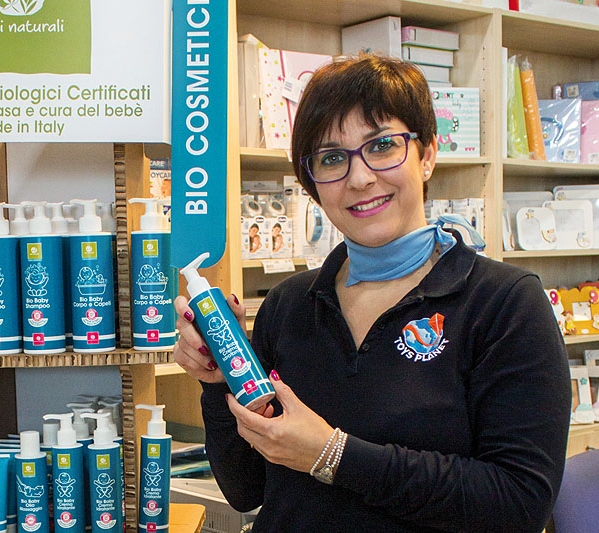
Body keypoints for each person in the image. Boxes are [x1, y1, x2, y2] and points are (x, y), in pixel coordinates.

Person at [173, 53, 572, 532]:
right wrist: (219, 382)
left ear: (427, 155)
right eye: (332, 158)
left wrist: (332, 454)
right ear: (313, 183)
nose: (360, 178)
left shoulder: (505, 303)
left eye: (382, 146)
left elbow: (519, 505)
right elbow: (246, 490)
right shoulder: (289, 304)